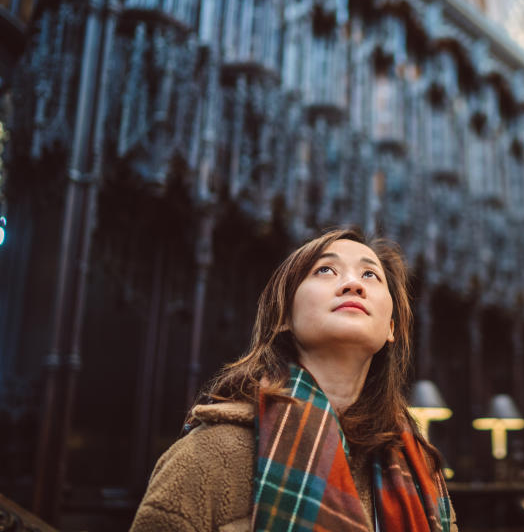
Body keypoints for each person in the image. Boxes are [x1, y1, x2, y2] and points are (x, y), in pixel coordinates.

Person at [131, 228, 456, 531]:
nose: (353, 284)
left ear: (391, 329)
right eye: (325, 270)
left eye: (370, 274)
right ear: (284, 315)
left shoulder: (420, 469)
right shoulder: (211, 455)